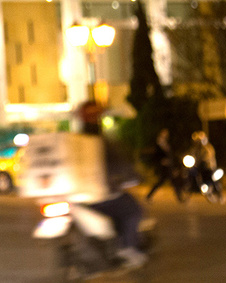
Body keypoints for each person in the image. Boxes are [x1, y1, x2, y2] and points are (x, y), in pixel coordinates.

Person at [77, 100, 147, 268]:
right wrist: (135, 176)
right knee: (134, 210)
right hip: (101, 196)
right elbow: (119, 163)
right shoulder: (102, 142)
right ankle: (127, 247)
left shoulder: (76, 141)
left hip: (79, 197)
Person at [145, 127, 179, 202]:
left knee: (172, 181)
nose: (165, 135)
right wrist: (161, 161)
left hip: (169, 165)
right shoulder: (158, 144)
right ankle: (149, 195)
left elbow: (171, 155)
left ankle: (179, 197)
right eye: (164, 133)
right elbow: (157, 155)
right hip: (164, 166)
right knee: (164, 181)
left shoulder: (167, 144)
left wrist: (173, 165)